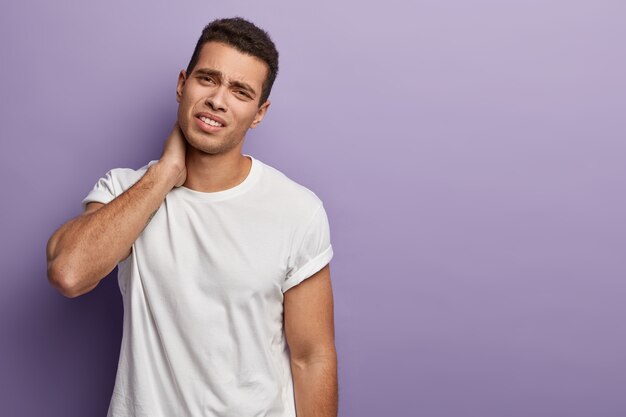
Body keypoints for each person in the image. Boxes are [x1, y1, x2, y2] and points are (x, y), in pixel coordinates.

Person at [46, 17, 337, 417]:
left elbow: (312, 357)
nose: (218, 100)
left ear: (259, 112)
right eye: (207, 79)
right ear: (183, 84)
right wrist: (165, 174)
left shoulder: (297, 210)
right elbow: (69, 273)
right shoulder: (125, 190)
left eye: (240, 91)